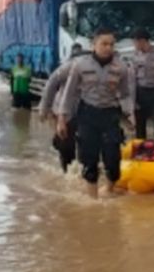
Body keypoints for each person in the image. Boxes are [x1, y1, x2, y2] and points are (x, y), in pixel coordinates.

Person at [57, 29, 135, 198]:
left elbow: (126, 94)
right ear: (94, 45)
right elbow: (69, 93)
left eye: (112, 44)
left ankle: (109, 189)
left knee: (113, 160)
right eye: (104, 44)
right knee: (89, 159)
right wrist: (62, 119)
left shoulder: (121, 67)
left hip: (110, 115)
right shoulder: (80, 65)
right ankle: (93, 200)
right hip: (87, 115)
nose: (108, 48)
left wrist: (130, 115)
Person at [40, 44, 84, 172]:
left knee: (85, 141)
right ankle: (66, 170)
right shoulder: (69, 66)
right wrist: (44, 108)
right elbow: (51, 83)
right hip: (63, 110)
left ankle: (82, 169)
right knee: (66, 144)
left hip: (83, 109)